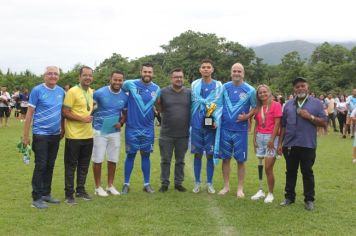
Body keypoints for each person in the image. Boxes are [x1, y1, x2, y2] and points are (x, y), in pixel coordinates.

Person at [278, 77, 327, 211]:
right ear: (294, 89)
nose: (300, 88)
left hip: (307, 144)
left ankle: (309, 199)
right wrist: (280, 144)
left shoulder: (316, 103)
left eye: (302, 86)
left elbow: (324, 122)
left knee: (307, 172)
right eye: (297, 86)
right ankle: (289, 197)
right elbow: (283, 126)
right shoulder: (288, 104)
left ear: (307, 88)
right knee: (290, 172)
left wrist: (310, 117)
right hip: (290, 144)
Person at [23, 66, 65, 209]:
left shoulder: (61, 91)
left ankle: (46, 194)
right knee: (41, 164)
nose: (52, 76)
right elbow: (29, 114)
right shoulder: (37, 90)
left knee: (50, 164)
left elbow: (61, 112)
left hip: (55, 135)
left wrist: (62, 129)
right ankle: (36, 197)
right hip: (40, 134)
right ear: (44, 76)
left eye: (55, 74)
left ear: (58, 76)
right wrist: (25, 136)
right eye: (49, 74)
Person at [121, 63, 160, 194]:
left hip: (148, 129)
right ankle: (126, 184)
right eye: (145, 72)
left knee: (146, 156)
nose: (147, 74)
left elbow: (158, 105)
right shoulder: (130, 84)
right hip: (132, 128)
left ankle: (146, 184)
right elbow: (119, 89)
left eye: (150, 72)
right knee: (130, 155)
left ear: (153, 73)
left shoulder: (156, 88)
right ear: (141, 72)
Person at [218, 63, 256, 198]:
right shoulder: (224, 87)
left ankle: (240, 189)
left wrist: (246, 116)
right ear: (231, 72)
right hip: (225, 129)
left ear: (243, 73)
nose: (236, 73)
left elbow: (255, 107)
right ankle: (226, 186)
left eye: (239, 71)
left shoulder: (250, 90)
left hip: (241, 131)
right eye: (234, 71)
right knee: (225, 159)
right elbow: (217, 105)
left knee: (241, 160)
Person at [91, 70, 128, 197]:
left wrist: (121, 122)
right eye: (115, 80)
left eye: (120, 80)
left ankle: (110, 185)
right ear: (110, 79)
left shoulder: (124, 96)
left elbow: (124, 113)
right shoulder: (99, 93)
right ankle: (97, 187)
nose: (117, 82)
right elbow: (90, 109)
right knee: (98, 159)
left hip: (114, 131)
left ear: (122, 81)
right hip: (99, 130)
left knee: (113, 159)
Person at [62, 66, 94, 205]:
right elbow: (65, 112)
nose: (88, 78)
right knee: (71, 166)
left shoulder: (91, 91)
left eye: (90, 75)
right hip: (74, 136)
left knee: (84, 165)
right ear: (79, 77)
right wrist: (82, 119)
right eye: (85, 75)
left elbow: (88, 108)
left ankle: (80, 190)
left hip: (88, 135)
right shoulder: (72, 91)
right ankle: (69, 195)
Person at [190, 59, 223, 194]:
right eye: (203, 67)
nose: (206, 69)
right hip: (196, 124)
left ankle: (210, 183)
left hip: (211, 126)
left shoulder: (218, 86)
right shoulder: (194, 85)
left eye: (208, 67)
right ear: (200, 70)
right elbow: (192, 103)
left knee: (209, 155)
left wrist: (216, 121)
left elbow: (220, 105)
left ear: (212, 70)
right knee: (197, 155)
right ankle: (197, 183)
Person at [157, 68, 191, 192]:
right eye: (176, 77)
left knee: (180, 161)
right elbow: (158, 108)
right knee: (165, 160)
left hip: (183, 134)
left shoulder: (189, 93)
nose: (179, 79)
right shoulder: (162, 92)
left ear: (183, 78)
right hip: (166, 133)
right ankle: (164, 183)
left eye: (181, 77)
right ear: (171, 78)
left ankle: (178, 183)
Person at [251, 84, 282, 203]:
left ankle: (270, 193)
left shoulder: (276, 105)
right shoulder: (258, 107)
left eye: (265, 92)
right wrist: (254, 139)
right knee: (260, 163)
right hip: (259, 136)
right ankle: (260, 190)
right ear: (258, 95)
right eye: (260, 93)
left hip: (270, 138)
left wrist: (272, 139)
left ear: (269, 92)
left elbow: (277, 123)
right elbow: (257, 124)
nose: (263, 94)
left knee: (268, 167)